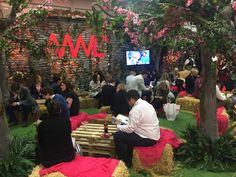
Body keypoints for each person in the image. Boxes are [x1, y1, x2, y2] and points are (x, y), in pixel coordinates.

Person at [113, 89, 160, 167]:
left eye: (128, 101)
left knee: (118, 136)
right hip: (152, 134)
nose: (128, 103)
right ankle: (129, 156)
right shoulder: (146, 104)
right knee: (125, 132)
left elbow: (130, 129)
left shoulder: (135, 110)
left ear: (131, 99)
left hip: (148, 138)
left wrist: (118, 126)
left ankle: (125, 161)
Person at [36, 100, 75, 167]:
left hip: (49, 161)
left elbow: (40, 141)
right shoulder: (66, 121)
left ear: (48, 111)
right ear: (60, 110)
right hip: (68, 156)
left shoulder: (42, 125)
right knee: (73, 140)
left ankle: (37, 162)